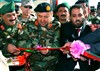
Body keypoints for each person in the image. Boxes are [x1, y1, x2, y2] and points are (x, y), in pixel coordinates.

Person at [56, 4, 93, 71]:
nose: (77, 18)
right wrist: (72, 53)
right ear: (69, 17)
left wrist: (87, 56)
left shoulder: (90, 29)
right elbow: (63, 43)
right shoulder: (64, 27)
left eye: (80, 15)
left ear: (84, 15)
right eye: (74, 16)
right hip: (67, 67)